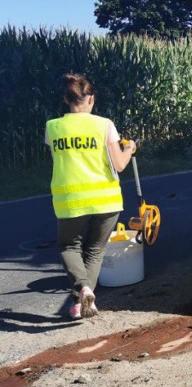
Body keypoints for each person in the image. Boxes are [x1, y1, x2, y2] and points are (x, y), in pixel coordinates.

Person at [45, 73, 136, 320]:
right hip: (106, 199)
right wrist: (129, 149)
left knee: (69, 246)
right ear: (91, 99)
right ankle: (83, 300)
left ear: (66, 98)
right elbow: (118, 165)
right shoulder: (104, 125)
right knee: (95, 250)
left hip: (70, 201)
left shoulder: (52, 127)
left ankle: (82, 291)